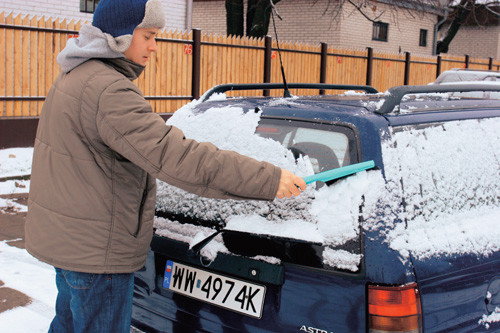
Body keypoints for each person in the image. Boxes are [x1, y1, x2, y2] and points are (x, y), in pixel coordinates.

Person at [24, 0, 306, 332]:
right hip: (97, 255)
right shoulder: (109, 90)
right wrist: (268, 179)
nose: (154, 47)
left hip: (71, 245)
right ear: (120, 36)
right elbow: (177, 156)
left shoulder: (75, 75)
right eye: (148, 36)